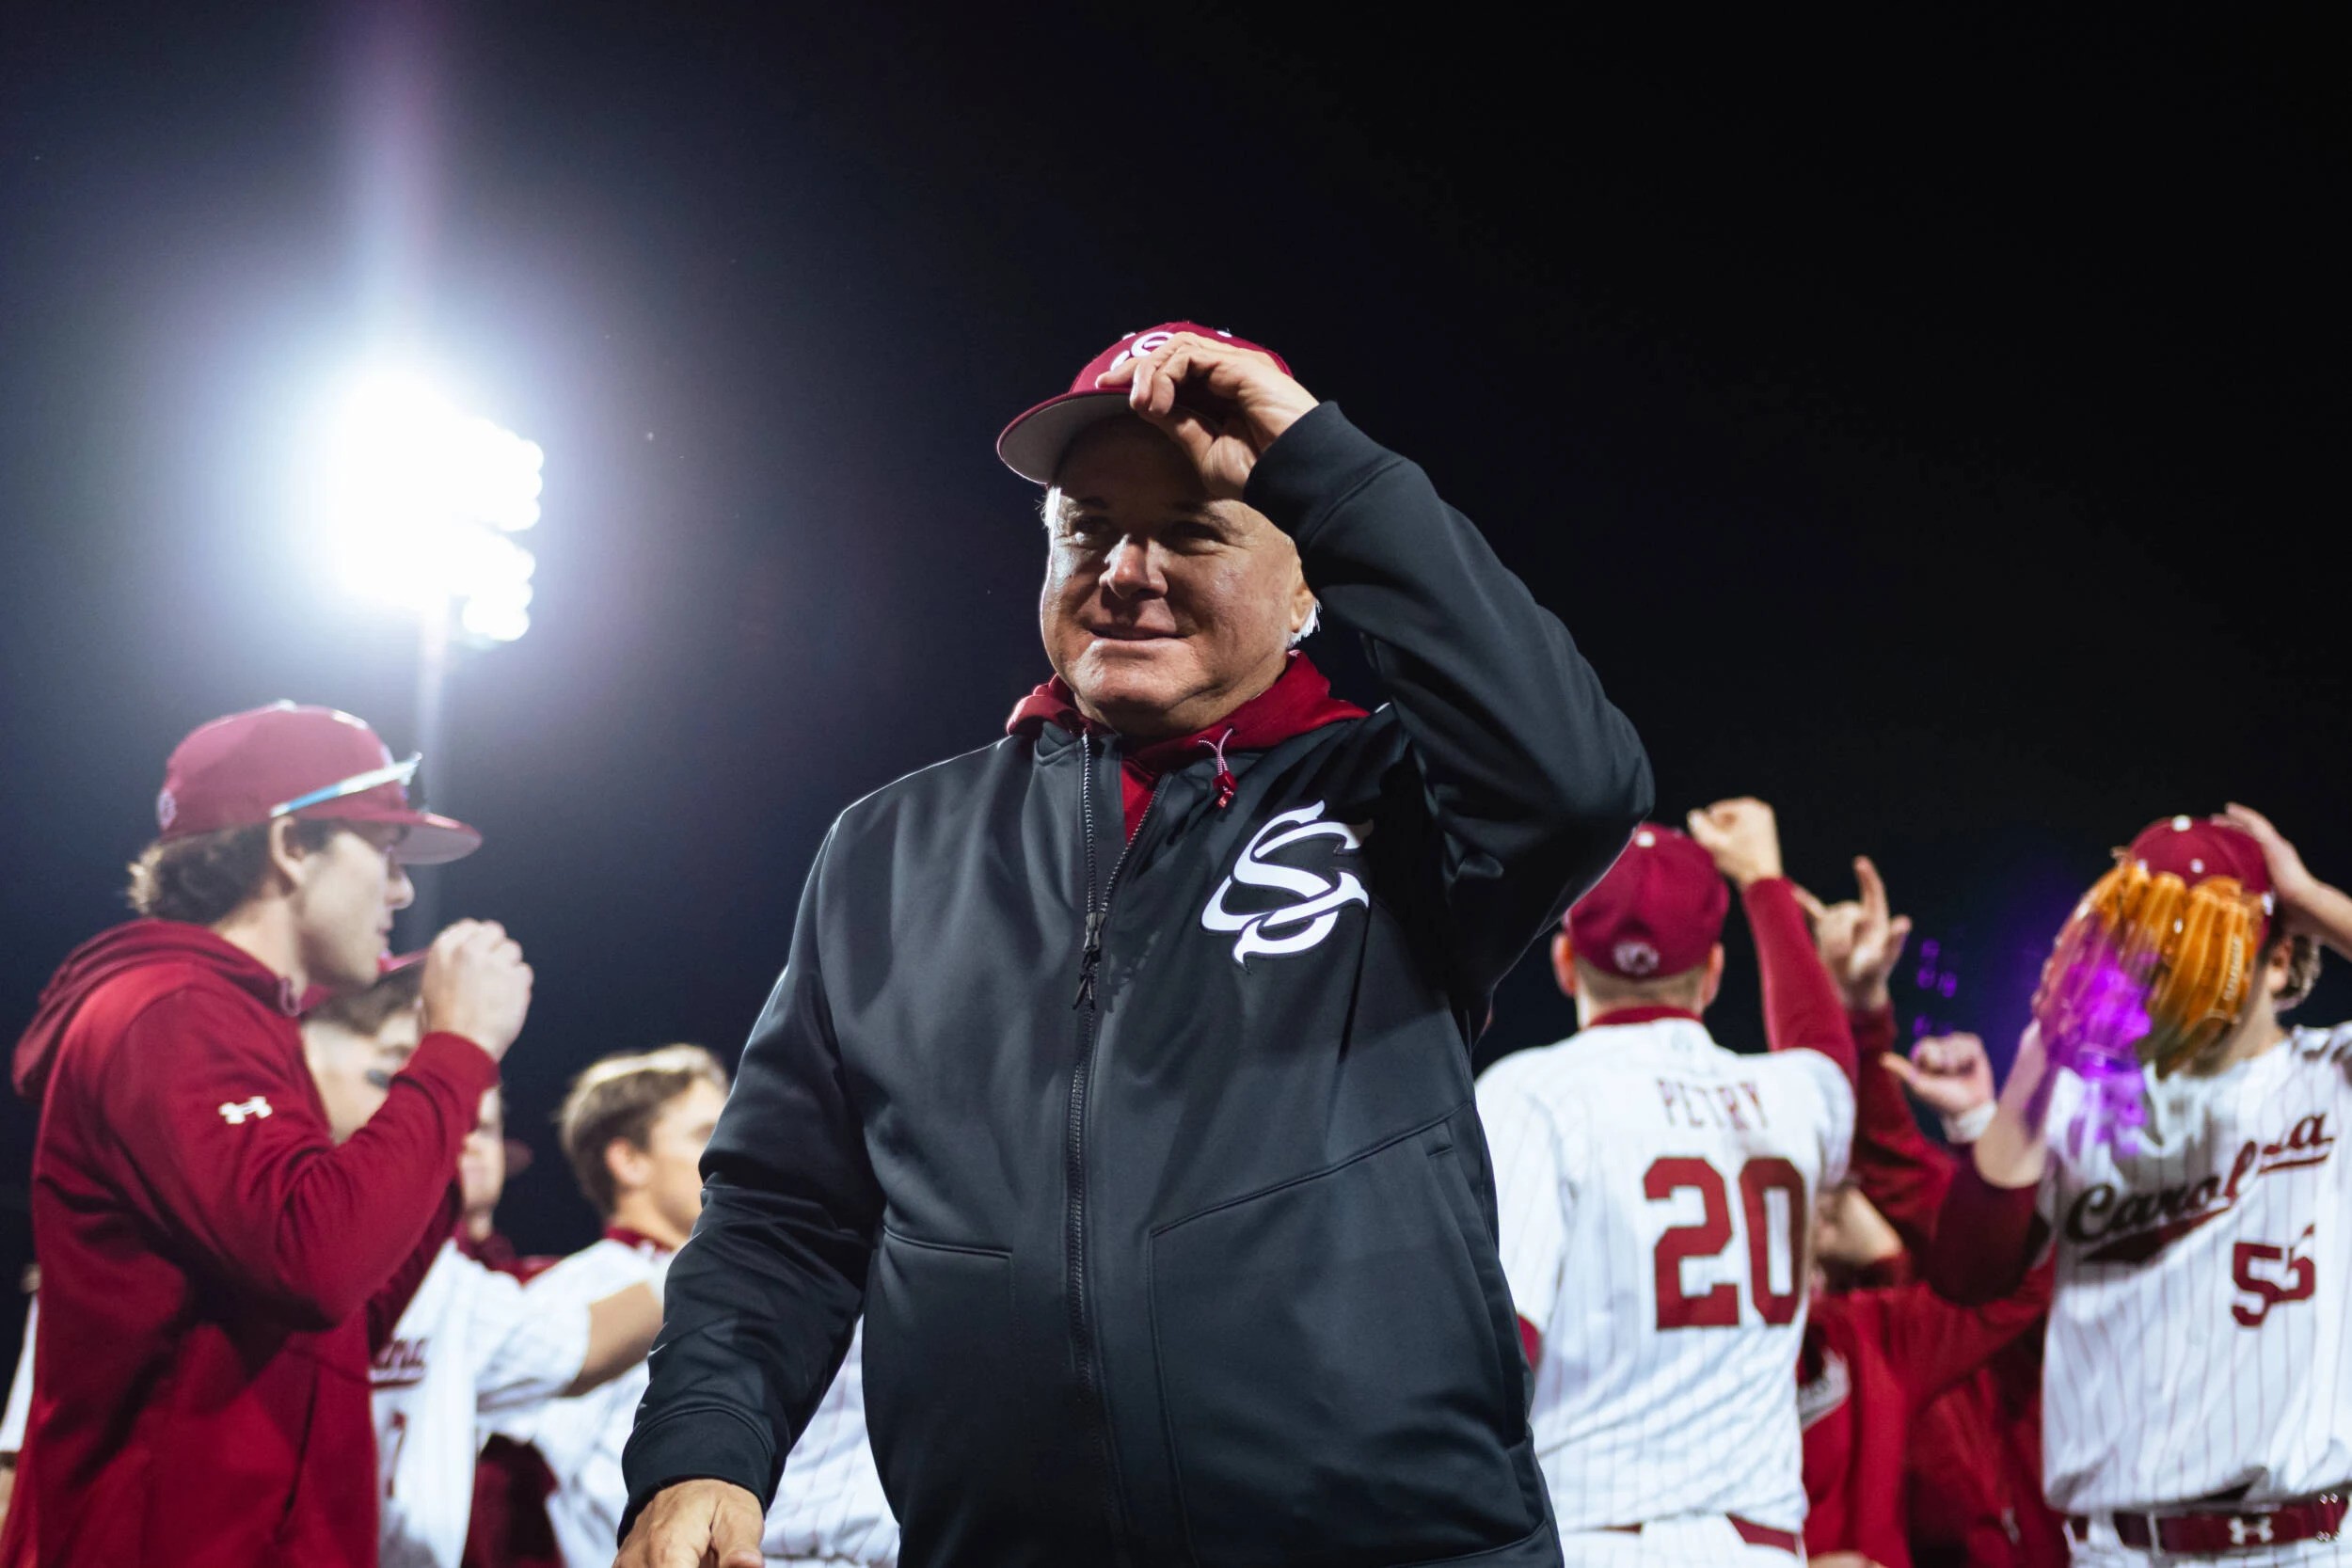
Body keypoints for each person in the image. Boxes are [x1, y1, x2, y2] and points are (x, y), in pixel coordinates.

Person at [619, 324, 1651, 1567]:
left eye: (1196, 527)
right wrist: (703, 1445)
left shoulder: (1397, 803)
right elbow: (785, 1210)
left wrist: (1320, 456)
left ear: (1312, 580)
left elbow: (1579, 779)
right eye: (1089, 525)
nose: (1129, 569)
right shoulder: (894, 847)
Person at [0, 701, 532, 1568]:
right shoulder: (171, 1012)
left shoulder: (235, 1021)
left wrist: (437, 1149)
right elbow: (310, 1257)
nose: (401, 890)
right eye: (385, 852)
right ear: (291, 846)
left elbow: (339, 1320)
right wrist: (453, 1053)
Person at [1926, 808, 2351, 1563]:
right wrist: (2039, 1054)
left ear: (2278, 961)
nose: (2164, 974)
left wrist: (2313, 899)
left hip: (2302, 1541)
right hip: (2121, 1547)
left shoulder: (2333, 1076)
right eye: (2149, 949)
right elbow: (1966, 1273)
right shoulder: (2079, 1096)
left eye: (2194, 949)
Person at [1477, 801, 1853, 1563]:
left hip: (1594, 1539)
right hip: (1761, 1547)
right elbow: (1826, 1051)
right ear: (1713, 973)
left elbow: (1494, 1355)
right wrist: (1764, 883)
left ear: (1564, 962)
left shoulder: (1535, 1092)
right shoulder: (1790, 1093)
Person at [305, 961, 665, 1568]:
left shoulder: (449, 1279)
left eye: (484, 1122)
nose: (460, 1129)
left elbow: (575, 1346)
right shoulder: (253, 1228)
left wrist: (741, 1246)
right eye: (396, 1067)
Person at [506, 1046, 897, 1568]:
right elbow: (532, 1496)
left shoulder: (804, 1267)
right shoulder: (576, 1290)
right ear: (629, 1160)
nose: (737, 1146)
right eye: (704, 1132)